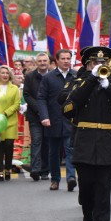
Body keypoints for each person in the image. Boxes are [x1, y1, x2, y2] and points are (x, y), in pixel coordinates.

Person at [65, 47, 111, 221]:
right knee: (86, 184)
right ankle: (87, 212)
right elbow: (70, 105)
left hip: (108, 141)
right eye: (95, 63)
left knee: (104, 183)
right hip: (85, 140)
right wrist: (92, 79)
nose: (100, 66)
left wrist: (108, 87)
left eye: (103, 63)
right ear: (88, 65)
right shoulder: (80, 82)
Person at [38, 49, 77, 191]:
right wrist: (44, 116)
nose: (66, 61)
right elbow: (41, 98)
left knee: (70, 150)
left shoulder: (76, 76)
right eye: (63, 58)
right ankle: (55, 179)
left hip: (71, 121)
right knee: (54, 153)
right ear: (57, 61)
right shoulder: (48, 77)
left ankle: (71, 178)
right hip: (53, 120)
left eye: (68, 58)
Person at [23, 52, 50, 181]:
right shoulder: (29, 77)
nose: (43, 63)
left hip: (51, 116)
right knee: (36, 142)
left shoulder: (53, 76)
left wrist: (47, 111)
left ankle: (45, 170)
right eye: (40, 61)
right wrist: (40, 110)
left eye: (45, 60)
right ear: (36, 63)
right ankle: (35, 170)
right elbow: (27, 95)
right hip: (35, 115)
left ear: (49, 62)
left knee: (47, 143)